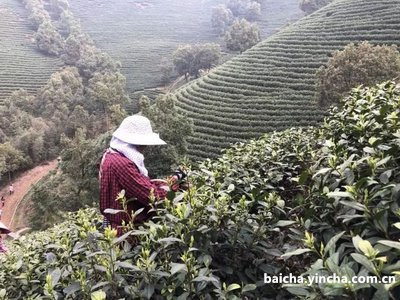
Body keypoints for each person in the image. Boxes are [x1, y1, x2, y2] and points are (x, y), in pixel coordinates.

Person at [99, 115, 186, 236]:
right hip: (127, 233)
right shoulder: (122, 164)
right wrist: (175, 183)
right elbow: (153, 196)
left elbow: (141, 185)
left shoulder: (111, 155)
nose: (146, 147)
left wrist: (171, 180)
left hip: (120, 227)